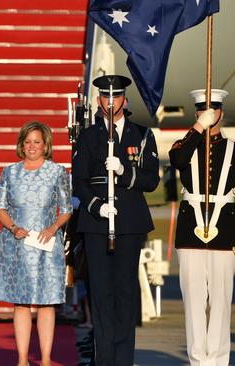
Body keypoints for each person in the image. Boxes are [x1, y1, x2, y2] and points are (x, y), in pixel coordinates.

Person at [71, 75, 159, 366]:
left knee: (125, 293)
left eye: (116, 97)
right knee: (101, 294)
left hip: (130, 224)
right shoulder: (88, 137)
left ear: (124, 100)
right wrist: (97, 206)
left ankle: (123, 360)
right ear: (98, 101)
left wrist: (124, 171)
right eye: (105, 98)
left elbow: (151, 180)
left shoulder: (142, 135)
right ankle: (104, 358)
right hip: (98, 224)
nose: (111, 103)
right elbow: (79, 181)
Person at [0, 121, 72, 366]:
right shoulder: (9, 172)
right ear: (21, 145)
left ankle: (45, 359)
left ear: (46, 145)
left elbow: (66, 209)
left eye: (37, 141)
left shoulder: (57, 172)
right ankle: (22, 359)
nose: (32, 146)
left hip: (46, 244)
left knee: (46, 302)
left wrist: (53, 228)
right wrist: (13, 227)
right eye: (28, 142)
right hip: (17, 244)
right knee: (21, 301)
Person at [169, 89, 235, 366]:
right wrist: (198, 128)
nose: (208, 114)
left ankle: (218, 361)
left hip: (225, 231)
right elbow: (178, 161)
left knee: (220, 302)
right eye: (201, 110)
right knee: (194, 302)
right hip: (190, 232)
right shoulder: (185, 144)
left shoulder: (233, 148)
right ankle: (198, 360)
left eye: (213, 110)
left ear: (221, 112)